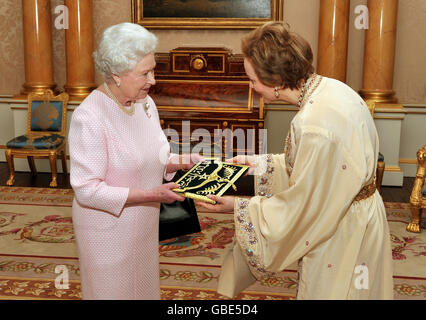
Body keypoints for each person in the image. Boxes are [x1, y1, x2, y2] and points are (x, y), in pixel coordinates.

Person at [198, 21, 394, 299]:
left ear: (275, 82)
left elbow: (304, 206)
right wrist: (258, 165)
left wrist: (238, 207)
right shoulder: (331, 88)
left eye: (252, 79)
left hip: (341, 229)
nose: (251, 87)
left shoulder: (312, 124)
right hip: (357, 215)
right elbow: (317, 172)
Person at [68, 22, 202, 299]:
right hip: (106, 231)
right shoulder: (89, 117)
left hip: (143, 223)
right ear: (116, 74)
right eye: (145, 73)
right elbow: (87, 189)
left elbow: (155, 157)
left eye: (153, 70)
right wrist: (151, 194)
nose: (153, 80)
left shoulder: (145, 103)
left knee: (143, 290)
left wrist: (183, 161)